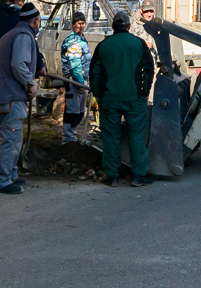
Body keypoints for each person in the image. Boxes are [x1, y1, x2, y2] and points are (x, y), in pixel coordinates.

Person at [0, 0, 42, 194]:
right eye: (39, 21)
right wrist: (30, 84)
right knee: (11, 138)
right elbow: (19, 65)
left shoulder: (13, 33)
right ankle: (3, 180)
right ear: (35, 21)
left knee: (12, 136)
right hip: (9, 95)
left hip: (2, 93)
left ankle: (11, 174)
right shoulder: (24, 36)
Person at [91, 10, 154, 186]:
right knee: (136, 137)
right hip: (134, 98)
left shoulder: (104, 45)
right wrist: (145, 92)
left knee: (111, 137)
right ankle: (138, 175)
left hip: (109, 99)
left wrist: (99, 95)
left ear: (113, 27)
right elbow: (149, 69)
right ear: (129, 25)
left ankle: (112, 176)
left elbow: (94, 72)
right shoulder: (139, 44)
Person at [60, 13, 92, 143]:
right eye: (78, 23)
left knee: (79, 112)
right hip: (74, 81)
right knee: (72, 112)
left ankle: (73, 136)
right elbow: (75, 64)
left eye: (82, 23)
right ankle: (68, 140)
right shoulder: (73, 41)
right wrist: (80, 84)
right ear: (73, 25)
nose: (81, 26)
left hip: (82, 80)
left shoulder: (81, 38)